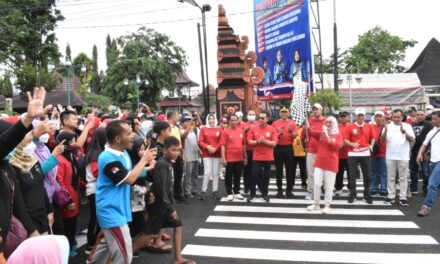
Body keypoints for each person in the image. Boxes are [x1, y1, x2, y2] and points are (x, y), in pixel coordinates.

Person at [90, 120, 156, 264]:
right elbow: (130, 178)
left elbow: (132, 173)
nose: (133, 136)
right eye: (129, 133)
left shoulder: (123, 152)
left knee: (105, 249)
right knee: (124, 257)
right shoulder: (107, 158)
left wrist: (147, 185)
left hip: (119, 211)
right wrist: (144, 160)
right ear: (118, 138)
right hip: (111, 212)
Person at [0, 87, 47, 262]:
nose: (15, 147)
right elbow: (5, 142)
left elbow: (17, 204)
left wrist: (34, 233)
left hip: (8, 242)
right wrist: (27, 119)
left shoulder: (7, 168)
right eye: (14, 143)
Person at [142, 137, 196, 264]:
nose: (176, 153)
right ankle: (132, 250)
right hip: (159, 204)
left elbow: (168, 187)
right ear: (165, 150)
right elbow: (161, 189)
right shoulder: (162, 164)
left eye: (178, 150)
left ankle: (178, 258)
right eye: (173, 150)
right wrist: (171, 209)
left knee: (177, 226)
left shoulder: (168, 162)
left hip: (163, 203)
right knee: (149, 234)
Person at [307, 116, 342, 213]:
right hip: (319, 162)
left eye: (330, 122)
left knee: (329, 185)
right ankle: (316, 204)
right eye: (327, 122)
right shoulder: (321, 134)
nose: (328, 124)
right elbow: (311, 132)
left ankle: (327, 205)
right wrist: (306, 120)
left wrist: (327, 135)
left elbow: (335, 147)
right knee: (317, 183)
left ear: (334, 123)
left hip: (331, 163)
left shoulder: (338, 135)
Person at [128, 136, 156, 254]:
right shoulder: (132, 163)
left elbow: (149, 177)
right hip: (134, 199)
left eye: (144, 149)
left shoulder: (140, 162)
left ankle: (130, 248)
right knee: (136, 225)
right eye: (140, 149)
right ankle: (128, 249)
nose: (143, 152)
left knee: (138, 224)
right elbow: (133, 181)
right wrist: (150, 164)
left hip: (141, 198)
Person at [55, 132, 81, 257]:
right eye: (72, 141)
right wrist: (68, 199)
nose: (75, 144)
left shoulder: (70, 155)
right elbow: (60, 181)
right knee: (67, 224)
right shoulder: (60, 159)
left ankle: (70, 243)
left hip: (74, 193)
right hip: (67, 196)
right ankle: (66, 249)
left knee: (72, 222)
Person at [382, 109, 415, 206]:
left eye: (398, 117)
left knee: (403, 178)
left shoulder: (407, 126)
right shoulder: (387, 126)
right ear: (392, 117)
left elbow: (412, 139)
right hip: (390, 156)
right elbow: (382, 140)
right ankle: (391, 196)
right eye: (394, 117)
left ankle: (403, 197)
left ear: (402, 117)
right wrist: (385, 130)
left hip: (403, 156)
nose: (396, 119)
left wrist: (404, 132)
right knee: (390, 178)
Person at [343, 108, 375, 204]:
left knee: (368, 175)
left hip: (365, 153)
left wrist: (371, 145)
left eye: (361, 115)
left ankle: (367, 195)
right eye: (358, 115)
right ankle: (353, 194)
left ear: (364, 116)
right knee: (352, 176)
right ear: (355, 116)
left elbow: (373, 138)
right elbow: (345, 139)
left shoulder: (369, 126)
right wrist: (352, 144)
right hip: (353, 153)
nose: (360, 117)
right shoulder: (350, 127)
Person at [83, 127, 107, 254]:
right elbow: (96, 172)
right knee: (95, 218)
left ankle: (93, 243)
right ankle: (91, 244)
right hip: (94, 190)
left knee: (97, 217)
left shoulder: (96, 151)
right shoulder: (95, 153)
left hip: (96, 190)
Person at [247, 111, 278, 202]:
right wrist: (257, 142)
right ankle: (252, 194)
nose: (260, 120)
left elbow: (274, 143)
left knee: (267, 176)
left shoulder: (272, 129)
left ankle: (265, 194)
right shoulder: (253, 128)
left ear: (267, 119)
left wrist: (264, 141)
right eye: (259, 118)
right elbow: (249, 141)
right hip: (257, 156)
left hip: (268, 156)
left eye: (262, 118)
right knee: (254, 175)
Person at [417, 111, 440, 216]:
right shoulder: (432, 131)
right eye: (432, 119)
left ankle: (426, 207)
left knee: (431, 185)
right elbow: (424, 144)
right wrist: (419, 154)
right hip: (433, 161)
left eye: (435, 119)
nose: (433, 121)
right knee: (433, 185)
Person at [271, 107, 298, 198]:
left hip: (289, 148)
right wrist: (278, 133)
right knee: (279, 170)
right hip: (278, 148)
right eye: (282, 112)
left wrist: (291, 132)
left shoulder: (292, 123)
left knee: (290, 170)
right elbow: (273, 136)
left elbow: (294, 136)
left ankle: (289, 190)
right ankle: (279, 190)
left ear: (288, 113)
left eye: (286, 112)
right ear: (279, 113)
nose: (284, 114)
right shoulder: (275, 123)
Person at [302, 103, 326, 200]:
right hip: (311, 150)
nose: (315, 111)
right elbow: (303, 136)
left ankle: (325, 189)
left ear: (321, 110)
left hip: (324, 150)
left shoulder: (327, 121)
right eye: (314, 109)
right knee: (311, 172)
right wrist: (305, 143)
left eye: (317, 109)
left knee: (324, 172)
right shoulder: (309, 122)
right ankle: (311, 191)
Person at [220, 114, 247, 201]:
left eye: (235, 120)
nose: (234, 122)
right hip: (230, 158)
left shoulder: (241, 131)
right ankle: (229, 193)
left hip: (239, 158)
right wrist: (223, 158)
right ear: (229, 121)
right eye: (232, 120)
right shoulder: (225, 131)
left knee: (238, 176)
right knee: (229, 176)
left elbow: (243, 145)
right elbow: (223, 145)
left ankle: (236, 192)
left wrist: (245, 156)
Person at [198, 113, 222, 200]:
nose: (211, 120)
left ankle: (215, 191)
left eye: (212, 118)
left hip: (216, 153)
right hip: (206, 153)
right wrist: (207, 147)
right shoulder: (203, 129)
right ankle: (203, 191)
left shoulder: (219, 129)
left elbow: (221, 141)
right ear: (207, 120)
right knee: (207, 172)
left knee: (216, 173)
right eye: (209, 119)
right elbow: (200, 141)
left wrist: (215, 148)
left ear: (215, 119)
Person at [410, 109, 433, 196]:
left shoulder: (429, 125)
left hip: (425, 152)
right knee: (413, 171)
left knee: (425, 172)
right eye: (418, 114)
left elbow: (432, 139)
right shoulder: (412, 125)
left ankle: (426, 190)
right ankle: (413, 189)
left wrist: (429, 151)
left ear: (425, 115)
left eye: (422, 114)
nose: (420, 116)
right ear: (415, 115)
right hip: (413, 151)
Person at [167, 111, 186, 203]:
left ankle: (178, 195)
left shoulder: (177, 127)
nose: (178, 117)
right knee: (171, 175)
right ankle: (170, 196)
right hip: (170, 153)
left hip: (178, 153)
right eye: (177, 115)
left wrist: (182, 154)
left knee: (179, 174)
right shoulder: (166, 126)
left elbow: (180, 140)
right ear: (173, 116)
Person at [180, 114, 200, 199]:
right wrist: (190, 126)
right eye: (186, 121)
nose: (188, 122)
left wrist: (200, 150)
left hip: (195, 155)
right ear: (181, 123)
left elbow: (197, 142)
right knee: (187, 175)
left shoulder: (194, 130)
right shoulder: (180, 130)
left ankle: (194, 189)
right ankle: (187, 191)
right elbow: (183, 136)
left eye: (189, 120)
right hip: (186, 156)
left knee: (195, 175)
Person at [370, 111, 387, 197]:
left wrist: (386, 129)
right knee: (374, 171)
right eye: (376, 116)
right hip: (373, 152)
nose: (378, 118)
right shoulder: (371, 127)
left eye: (380, 116)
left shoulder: (387, 127)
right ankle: (374, 188)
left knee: (383, 172)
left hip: (384, 152)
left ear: (383, 117)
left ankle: (383, 188)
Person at [335, 111, 350, 195]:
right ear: (339, 118)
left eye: (345, 116)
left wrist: (345, 142)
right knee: (339, 173)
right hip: (338, 154)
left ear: (348, 117)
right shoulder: (336, 127)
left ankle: (350, 188)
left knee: (350, 173)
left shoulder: (352, 126)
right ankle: (338, 188)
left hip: (349, 154)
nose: (343, 118)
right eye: (341, 116)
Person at [242, 110, 257, 194]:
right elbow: (239, 135)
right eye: (250, 114)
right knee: (246, 170)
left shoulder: (258, 124)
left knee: (255, 170)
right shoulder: (244, 125)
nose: (251, 115)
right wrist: (245, 131)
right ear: (247, 115)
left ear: (255, 115)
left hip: (256, 150)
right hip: (246, 150)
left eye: (253, 114)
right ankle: (246, 187)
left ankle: (254, 186)